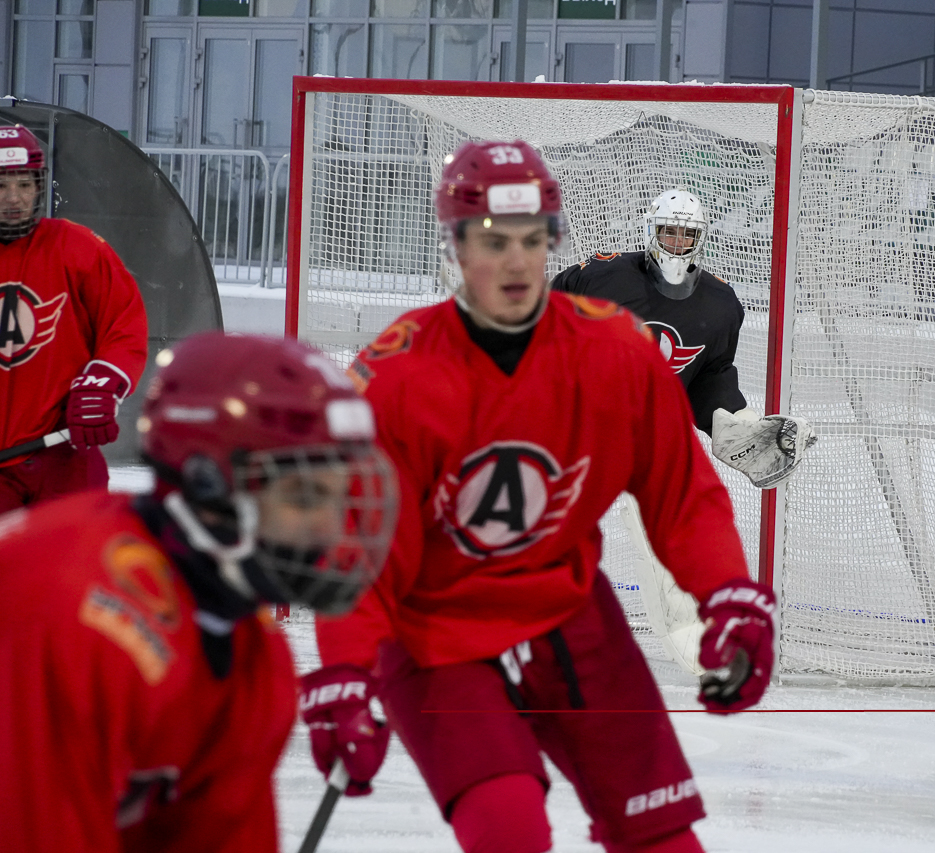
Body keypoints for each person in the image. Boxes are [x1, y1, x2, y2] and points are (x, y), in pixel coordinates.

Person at [302, 140, 777, 853]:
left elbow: (682, 494)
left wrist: (730, 592)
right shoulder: (396, 374)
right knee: (508, 829)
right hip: (438, 634)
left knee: (664, 837)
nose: (516, 261)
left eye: (532, 239)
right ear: (457, 245)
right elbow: (361, 541)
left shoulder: (615, 352)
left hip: (571, 614)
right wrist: (344, 669)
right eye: (493, 239)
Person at [0, 332, 398, 852]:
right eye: (304, 495)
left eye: (337, 494)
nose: (329, 525)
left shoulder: (255, 659)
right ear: (211, 483)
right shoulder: (71, 605)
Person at [551, 188, 814, 669]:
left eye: (687, 232)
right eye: (668, 230)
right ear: (650, 231)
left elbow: (710, 379)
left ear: (702, 237)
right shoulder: (603, 276)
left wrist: (734, 425)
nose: (676, 241)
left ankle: (700, 647)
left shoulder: (719, 304)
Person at [0, 124, 148, 511]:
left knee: (78, 568)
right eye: (0, 186)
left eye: (24, 184)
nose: (13, 198)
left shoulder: (77, 247)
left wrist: (103, 381)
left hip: (64, 459)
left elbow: (123, 326)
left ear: (38, 186)